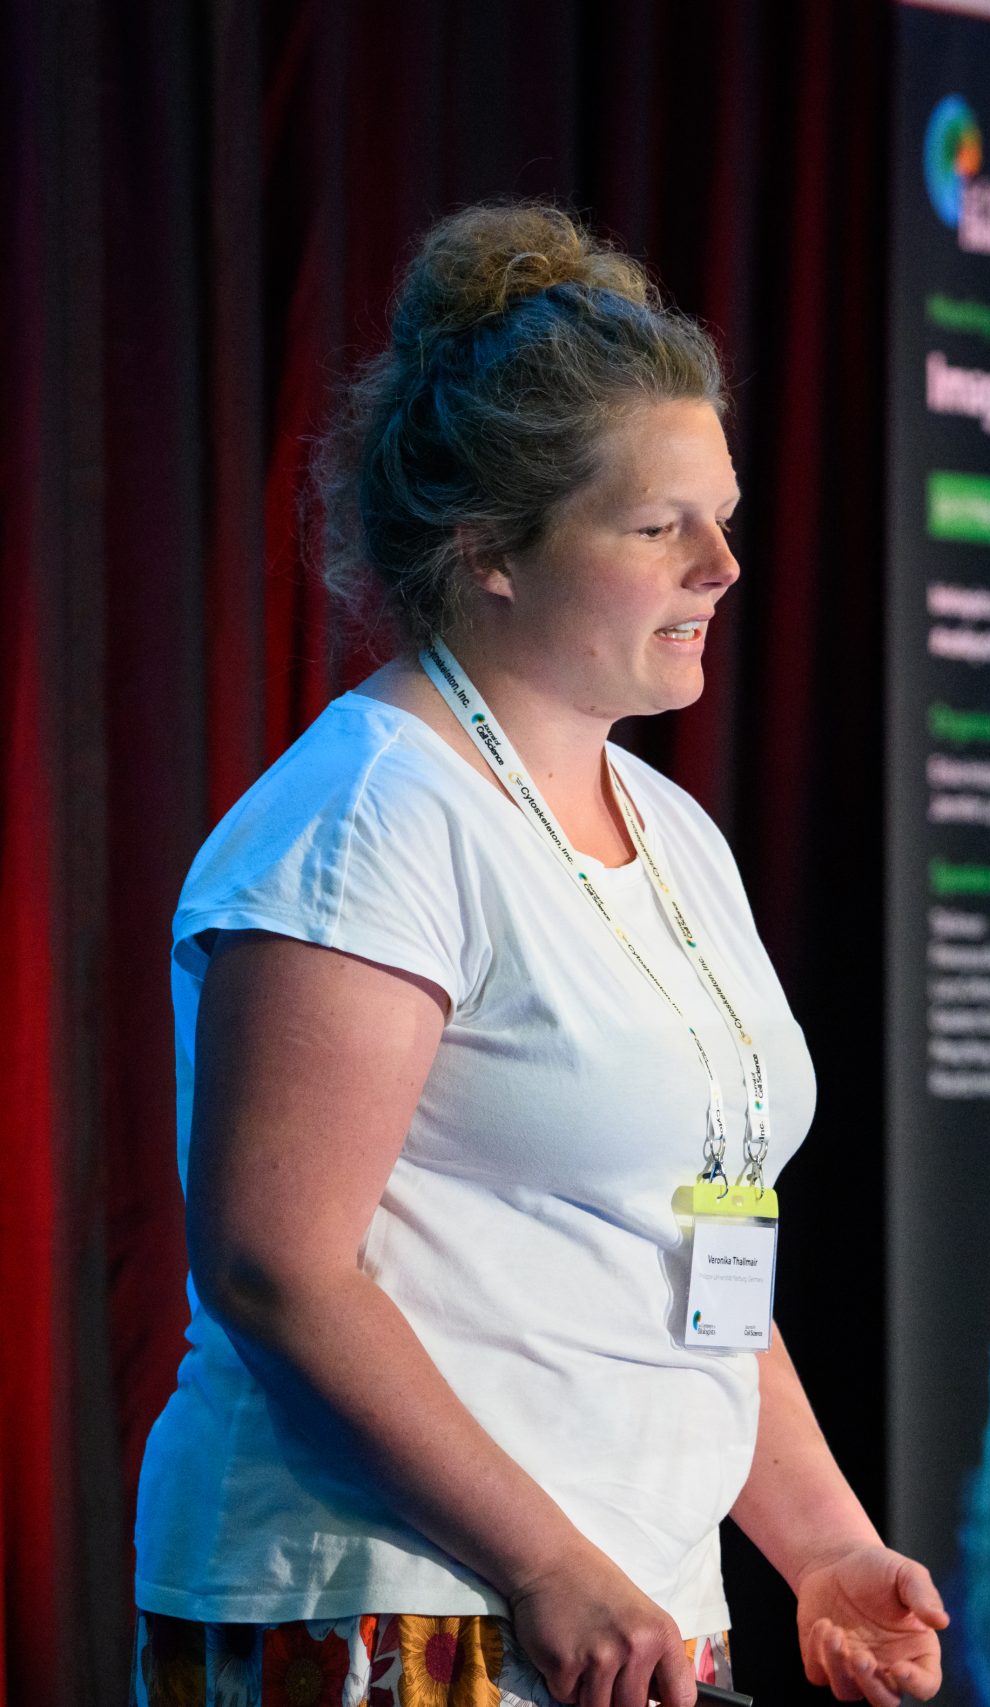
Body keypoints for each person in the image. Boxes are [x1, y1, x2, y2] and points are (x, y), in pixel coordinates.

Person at [130, 201, 942, 1707]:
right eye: (658, 527)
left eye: (724, 517)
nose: (723, 566)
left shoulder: (670, 828)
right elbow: (273, 1265)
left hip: (633, 1610)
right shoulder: (372, 815)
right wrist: (550, 1563)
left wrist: (824, 1546)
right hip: (396, 1607)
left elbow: (688, 1248)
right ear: (489, 551)